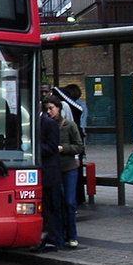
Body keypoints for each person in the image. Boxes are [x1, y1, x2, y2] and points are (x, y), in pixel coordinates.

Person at [43, 95, 84, 248]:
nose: (49, 112)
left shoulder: (70, 126)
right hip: (55, 169)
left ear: (59, 108)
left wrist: (63, 149)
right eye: (46, 109)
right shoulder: (46, 124)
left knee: (69, 202)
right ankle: (61, 234)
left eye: (51, 108)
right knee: (57, 203)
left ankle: (72, 235)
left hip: (69, 168)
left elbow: (79, 146)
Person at [32, 105, 63, 253]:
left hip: (49, 172)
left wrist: (32, 148)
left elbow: (52, 147)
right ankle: (44, 238)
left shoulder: (49, 124)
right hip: (38, 171)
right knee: (43, 208)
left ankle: (52, 240)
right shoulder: (32, 122)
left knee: (50, 207)